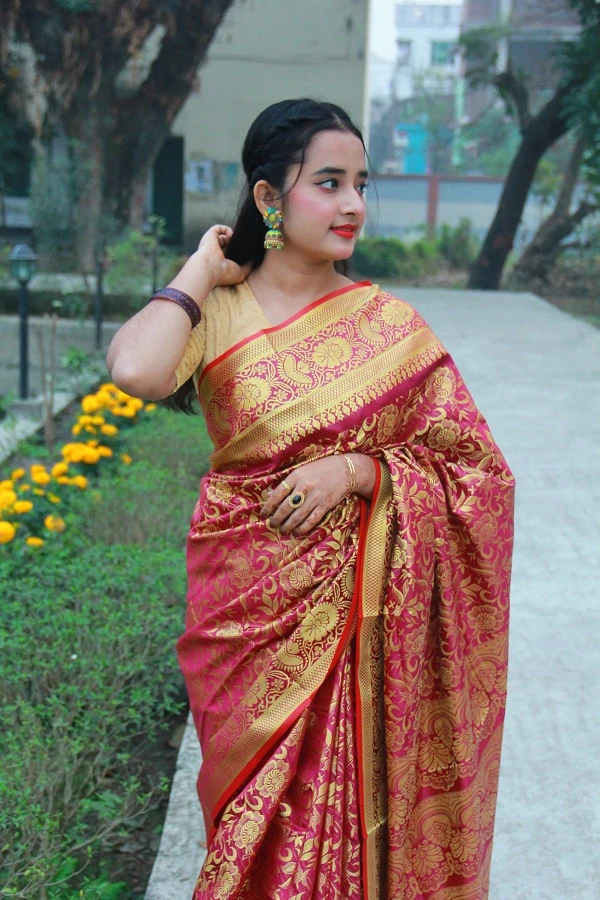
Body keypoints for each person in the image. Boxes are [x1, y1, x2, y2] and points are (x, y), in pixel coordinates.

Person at [106, 98, 515, 900]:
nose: (353, 203)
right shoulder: (217, 310)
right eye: (329, 183)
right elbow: (135, 371)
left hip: (358, 629)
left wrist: (362, 473)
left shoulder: (391, 327)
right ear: (269, 197)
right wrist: (202, 268)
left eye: (361, 183)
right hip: (246, 620)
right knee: (253, 829)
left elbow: (480, 477)